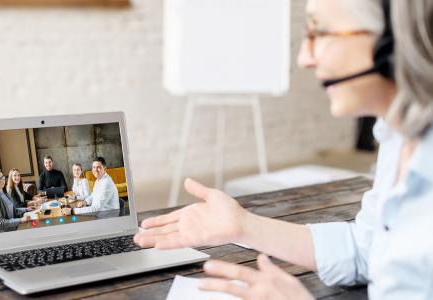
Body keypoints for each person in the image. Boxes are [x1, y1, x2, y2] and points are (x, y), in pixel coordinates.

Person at [133, 0, 433, 299]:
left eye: (321, 32)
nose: (304, 58)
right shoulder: (399, 135)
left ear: (393, 42)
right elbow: (367, 250)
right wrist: (243, 226)